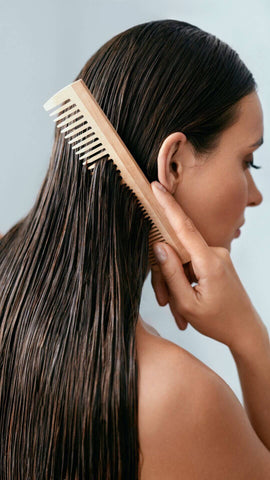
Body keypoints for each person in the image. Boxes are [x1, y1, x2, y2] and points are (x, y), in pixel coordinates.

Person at [0, 18, 269, 479]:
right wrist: (250, 339)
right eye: (248, 160)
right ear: (175, 163)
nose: (255, 194)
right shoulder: (180, 399)